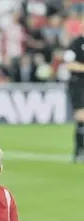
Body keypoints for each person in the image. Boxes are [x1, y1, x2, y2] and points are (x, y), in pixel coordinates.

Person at [64, 30, 84, 163]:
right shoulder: (76, 43)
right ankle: (79, 150)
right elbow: (69, 64)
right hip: (78, 84)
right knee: (81, 116)